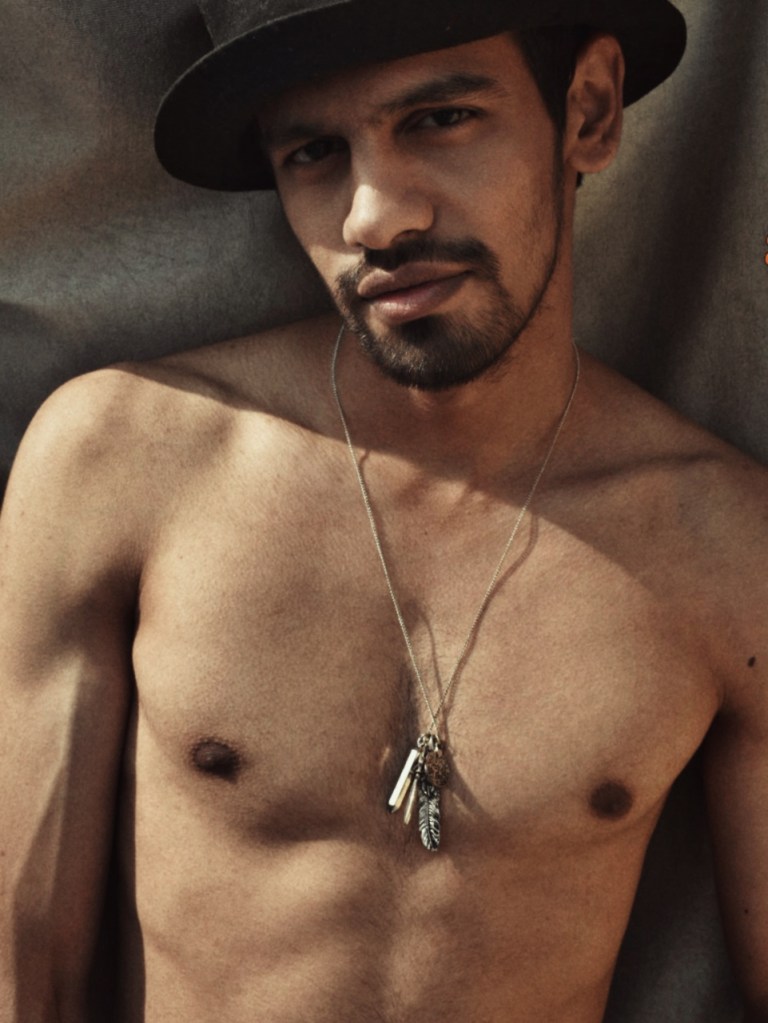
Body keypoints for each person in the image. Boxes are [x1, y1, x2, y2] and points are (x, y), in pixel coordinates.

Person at [1, 0, 767, 1020]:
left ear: (588, 109)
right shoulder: (125, 460)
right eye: (314, 152)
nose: (375, 219)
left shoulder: (722, 545)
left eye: (440, 119)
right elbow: (22, 974)